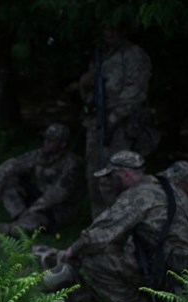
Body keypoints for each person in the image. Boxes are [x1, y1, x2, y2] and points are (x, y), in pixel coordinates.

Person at [44, 150, 188, 302]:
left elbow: (97, 236)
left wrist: (71, 252)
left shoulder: (139, 195)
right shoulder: (169, 189)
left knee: (93, 259)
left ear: (126, 174)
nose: (108, 182)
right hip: (187, 267)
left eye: (111, 176)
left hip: (164, 271)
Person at [79, 23, 159, 218]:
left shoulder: (133, 54)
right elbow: (89, 92)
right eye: (106, 29)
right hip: (97, 122)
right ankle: (98, 223)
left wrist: (114, 118)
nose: (109, 33)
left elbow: (136, 91)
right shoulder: (102, 57)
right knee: (94, 174)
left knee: (117, 176)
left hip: (122, 125)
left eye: (114, 29)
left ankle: (122, 223)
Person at [0, 123, 82, 236]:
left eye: (51, 140)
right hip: (38, 197)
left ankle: (12, 230)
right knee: (9, 181)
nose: (46, 143)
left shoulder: (71, 164)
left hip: (58, 208)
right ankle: (19, 217)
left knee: (39, 218)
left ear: (62, 144)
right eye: (45, 139)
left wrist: (32, 210)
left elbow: (56, 195)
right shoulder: (40, 155)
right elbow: (10, 165)